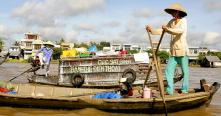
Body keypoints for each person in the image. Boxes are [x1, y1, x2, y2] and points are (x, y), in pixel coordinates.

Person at [146, 3, 189, 95]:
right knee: (168, 70)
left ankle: (185, 89)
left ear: (177, 12)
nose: (171, 14)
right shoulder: (172, 21)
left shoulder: (183, 21)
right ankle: (170, 90)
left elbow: (180, 31)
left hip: (182, 50)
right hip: (173, 51)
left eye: (173, 12)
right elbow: (163, 30)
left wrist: (168, 29)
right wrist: (152, 30)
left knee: (185, 72)